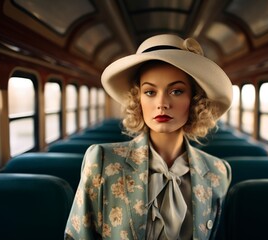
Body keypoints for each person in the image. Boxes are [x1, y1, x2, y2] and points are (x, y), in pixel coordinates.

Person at [64, 34, 233, 240]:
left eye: (177, 91)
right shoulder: (102, 161)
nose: (162, 103)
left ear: (195, 100)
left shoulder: (218, 172)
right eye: (150, 92)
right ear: (138, 99)